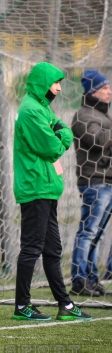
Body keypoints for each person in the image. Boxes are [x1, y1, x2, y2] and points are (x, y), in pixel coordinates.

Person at [12, 62, 91, 321]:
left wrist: (61, 132)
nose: (58, 88)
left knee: (52, 249)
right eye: (55, 83)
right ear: (43, 84)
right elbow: (53, 147)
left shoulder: (42, 108)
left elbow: (61, 130)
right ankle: (22, 305)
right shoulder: (31, 111)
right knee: (32, 248)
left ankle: (65, 305)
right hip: (36, 188)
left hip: (45, 189)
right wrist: (62, 135)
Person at [70, 69, 112, 297]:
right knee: (87, 232)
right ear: (93, 91)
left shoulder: (104, 117)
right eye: (105, 88)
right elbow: (98, 140)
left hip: (108, 181)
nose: (109, 91)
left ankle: (92, 278)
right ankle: (78, 279)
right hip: (94, 182)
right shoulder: (84, 116)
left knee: (97, 234)